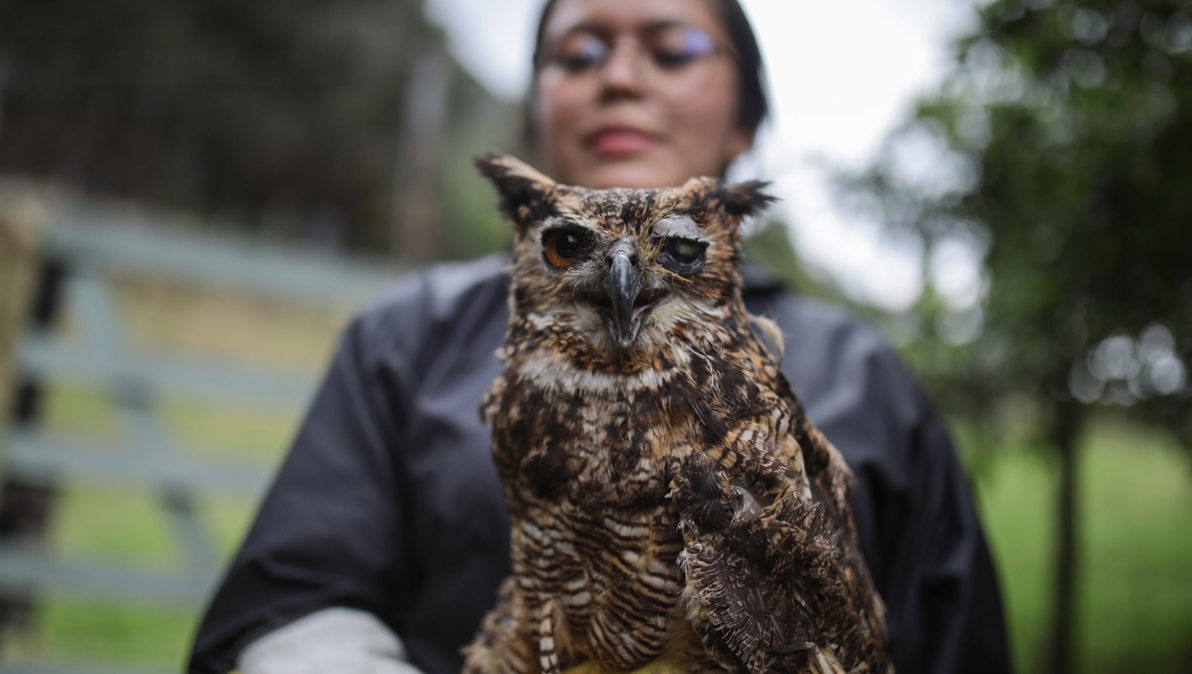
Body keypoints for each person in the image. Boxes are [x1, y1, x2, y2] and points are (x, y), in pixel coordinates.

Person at [188, 0, 1012, 672]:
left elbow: (955, 642)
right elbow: (287, 601)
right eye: (578, 54)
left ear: (745, 121)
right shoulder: (411, 337)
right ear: (537, 112)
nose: (618, 77)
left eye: (673, 48)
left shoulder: (866, 376)